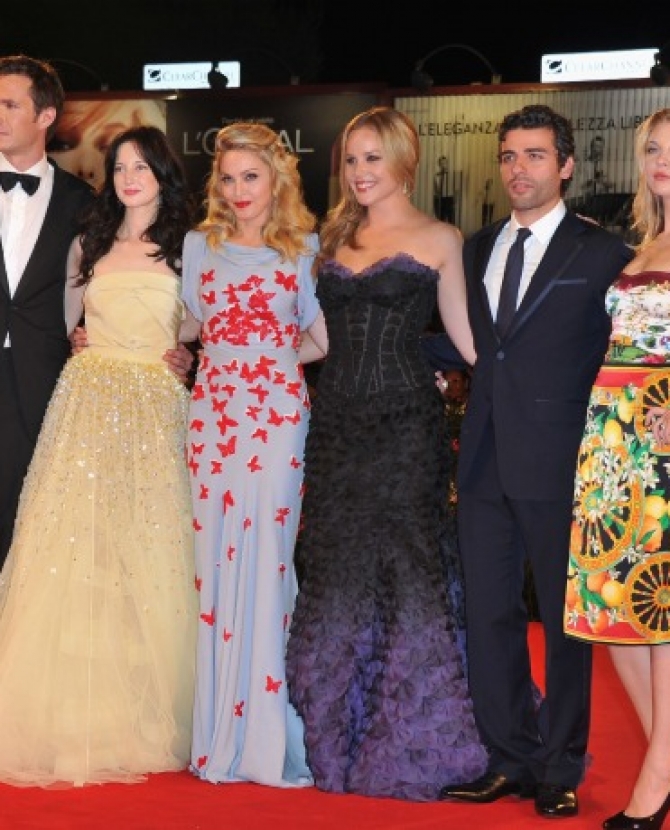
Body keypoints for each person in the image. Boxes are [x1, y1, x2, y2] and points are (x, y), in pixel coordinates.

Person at [285, 105, 488, 802]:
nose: (359, 171)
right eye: (350, 159)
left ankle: (413, 736)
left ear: (405, 161)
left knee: (406, 569)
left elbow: (467, 341)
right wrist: (234, 353)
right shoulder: (327, 239)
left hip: (406, 431)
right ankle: (338, 734)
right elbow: (317, 340)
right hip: (337, 429)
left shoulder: (440, 237)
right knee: (337, 571)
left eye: (373, 157)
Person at [438, 104, 634, 819]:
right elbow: (475, 344)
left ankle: (561, 765)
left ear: (567, 165)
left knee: (563, 621)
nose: (518, 169)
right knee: (490, 614)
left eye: (535, 155)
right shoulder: (476, 247)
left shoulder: (603, 253)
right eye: (509, 156)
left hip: (564, 461)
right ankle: (509, 758)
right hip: (484, 457)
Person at [0, 124, 200, 787]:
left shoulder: (191, 248)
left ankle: (150, 705)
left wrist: (184, 353)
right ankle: (70, 708)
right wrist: (91, 343)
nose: (129, 178)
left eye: (142, 167)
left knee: (150, 552)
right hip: (86, 408)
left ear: (164, 176)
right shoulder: (87, 242)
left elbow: (205, 324)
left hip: (156, 410)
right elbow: (69, 325)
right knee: (76, 550)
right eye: (119, 167)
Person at [181, 121, 326, 788]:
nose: (239, 190)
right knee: (214, 563)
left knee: (267, 560)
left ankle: (265, 731)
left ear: (277, 181)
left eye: (252, 176)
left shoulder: (304, 250)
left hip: (276, 420)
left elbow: (322, 340)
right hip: (212, 417)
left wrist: (267, 363)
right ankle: (219, 729)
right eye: (229, 178)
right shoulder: (199, 246)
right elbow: (188, 325)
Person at [565, 108, 670, 830]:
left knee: (657, 612)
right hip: (612, 440)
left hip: (659, 437)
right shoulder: (644, 243)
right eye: (653, 148)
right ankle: (667, 758)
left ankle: (655, 781)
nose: (661, 160)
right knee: (613, 611)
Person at [0, 54, 96, 569]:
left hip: (41, 377)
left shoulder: (83, 201)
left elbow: (106, 286)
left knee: (28, 519)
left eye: (9, 105)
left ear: (45, 116)